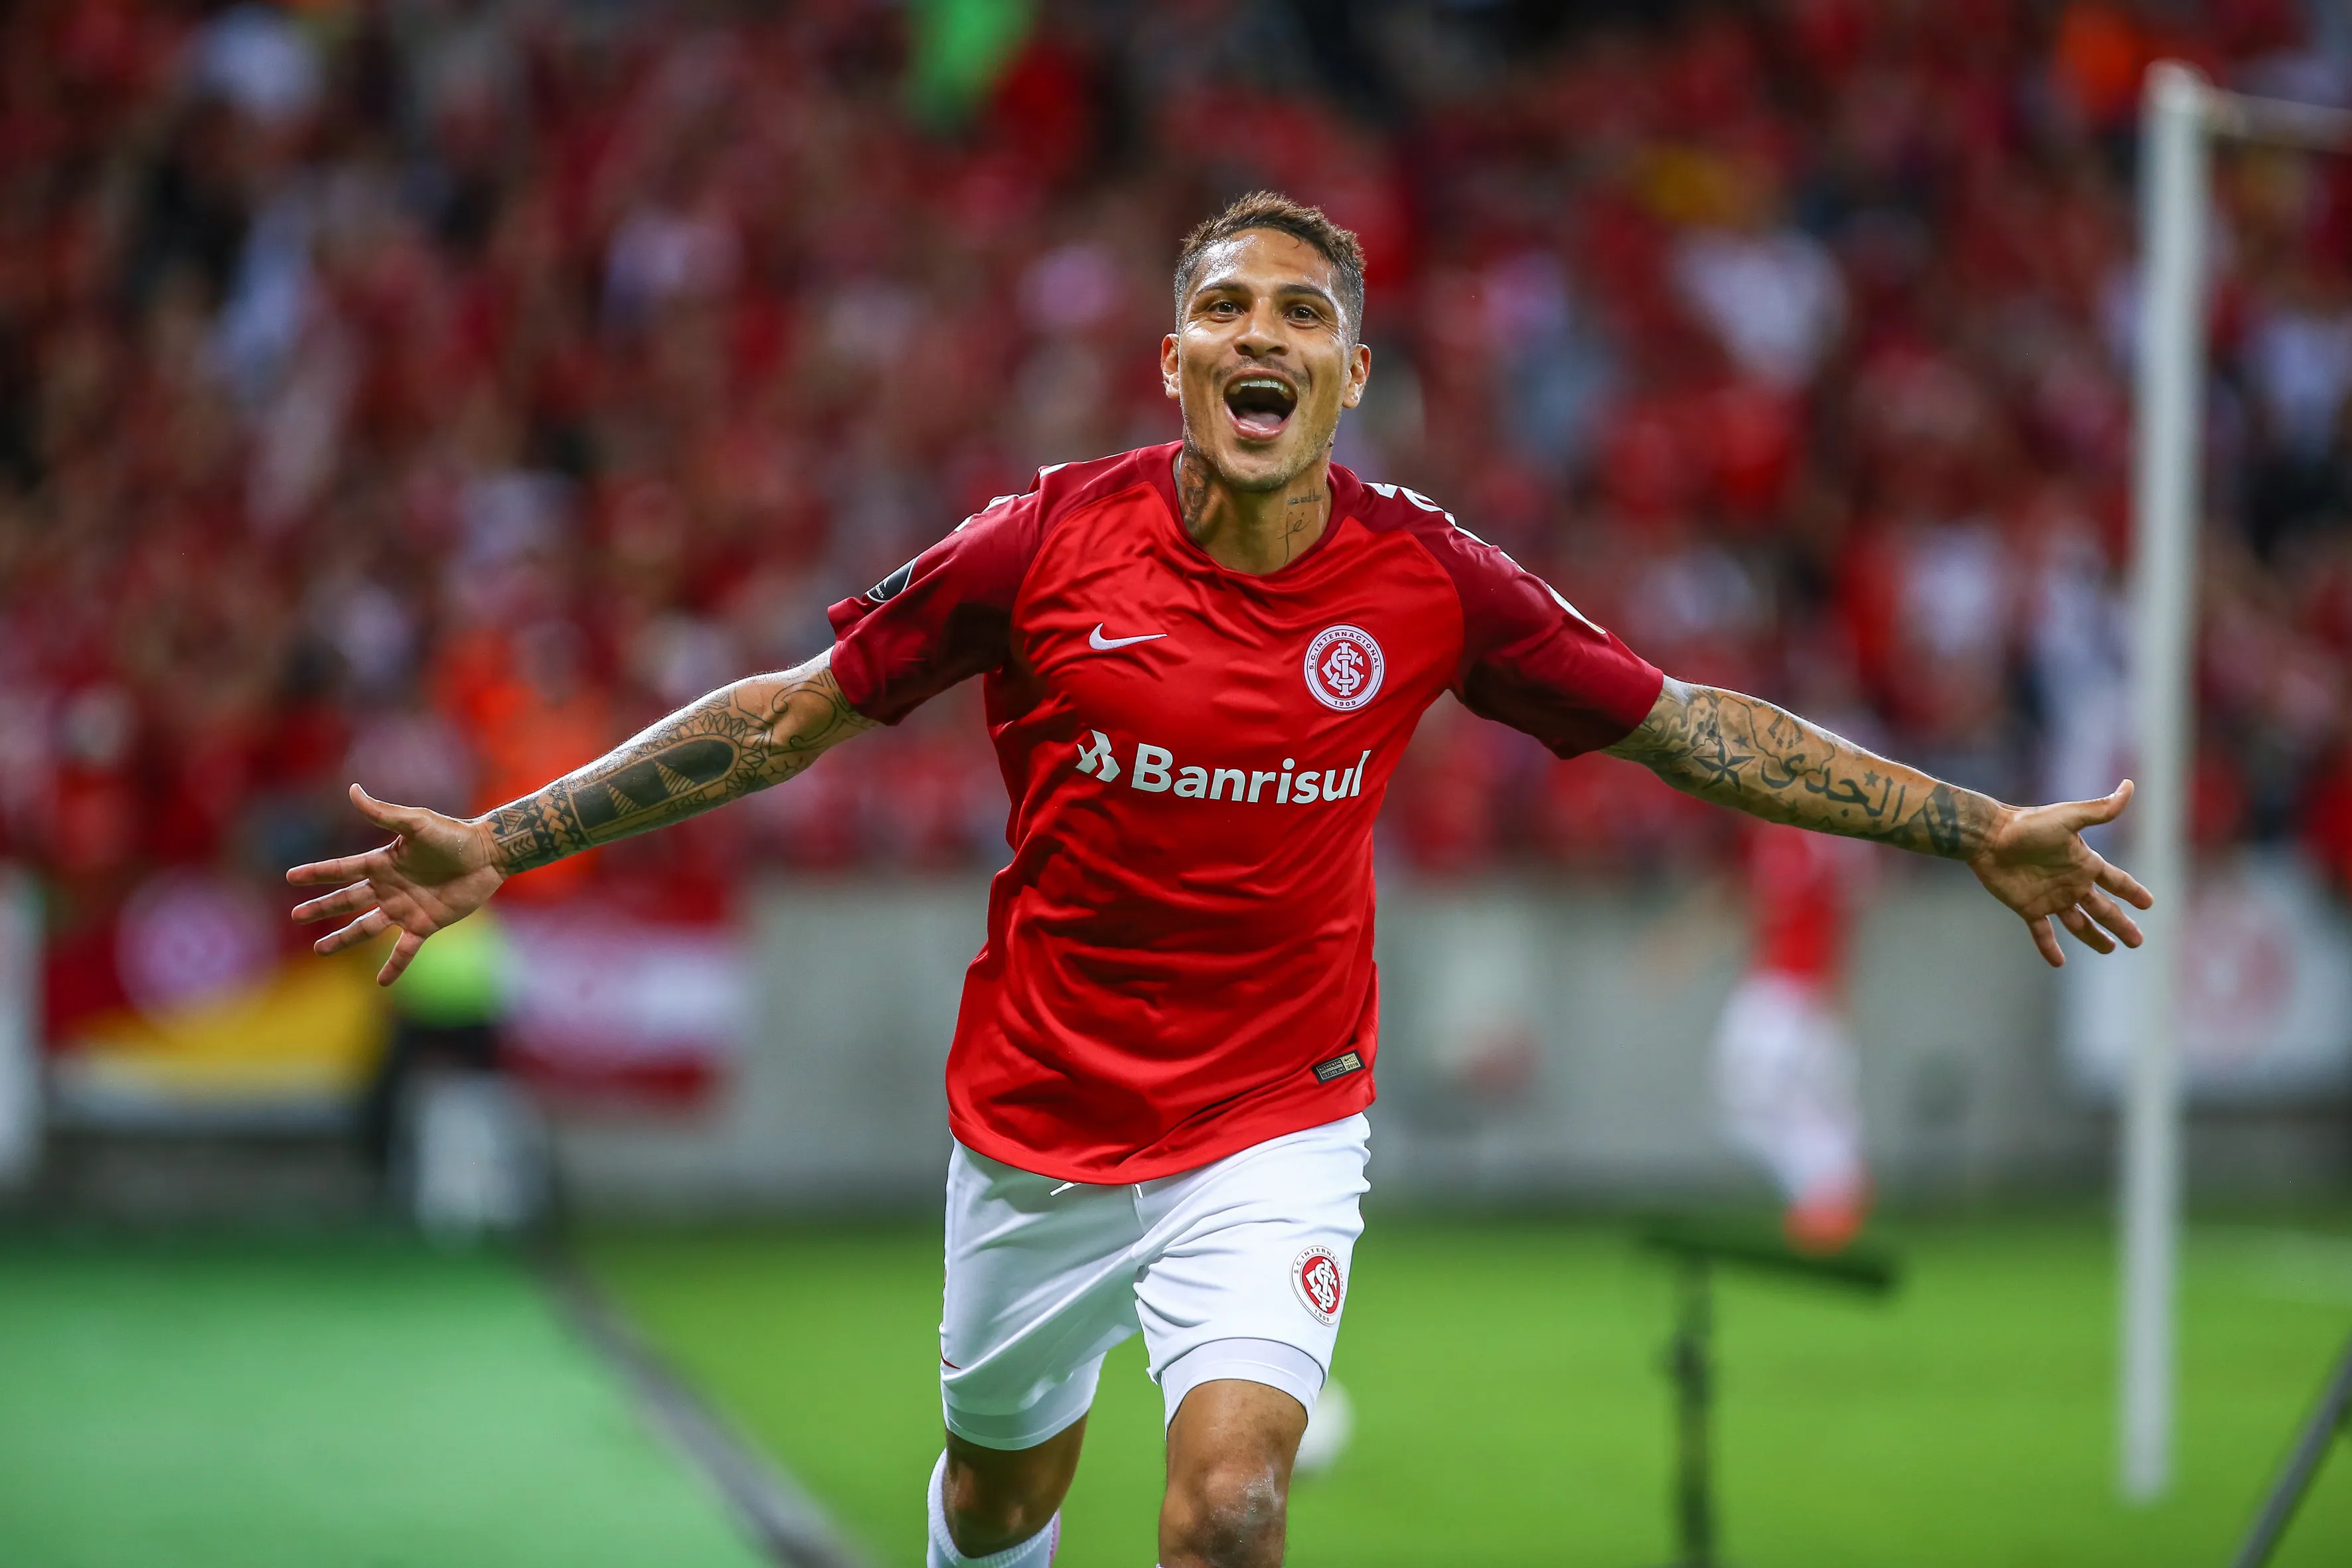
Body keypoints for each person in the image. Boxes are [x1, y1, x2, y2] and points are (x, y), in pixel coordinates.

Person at [287, 193, 2152, 1568]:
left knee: (1231, 1506)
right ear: (1170, 359)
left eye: (1298, 314)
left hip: (1273, 1116)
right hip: (1033, 1111)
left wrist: (1959, 817)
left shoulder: (1428, 579)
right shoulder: (1036, 543)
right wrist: (506, 839)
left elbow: (1687, 727)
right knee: (999, 1489)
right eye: (1223, 309)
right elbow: (785, 718)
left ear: (1349, 371)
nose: (1259, 336)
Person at [1713, 821, 1873, 1252]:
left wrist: (1836, 984)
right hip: (1770, 981)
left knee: (1801, 1099)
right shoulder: (1768, 834)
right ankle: (1822, 1194)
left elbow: (1839, 910)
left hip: (1798, 988)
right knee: (1750, 1105)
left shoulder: (1816, 839)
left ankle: (1831, 1199)